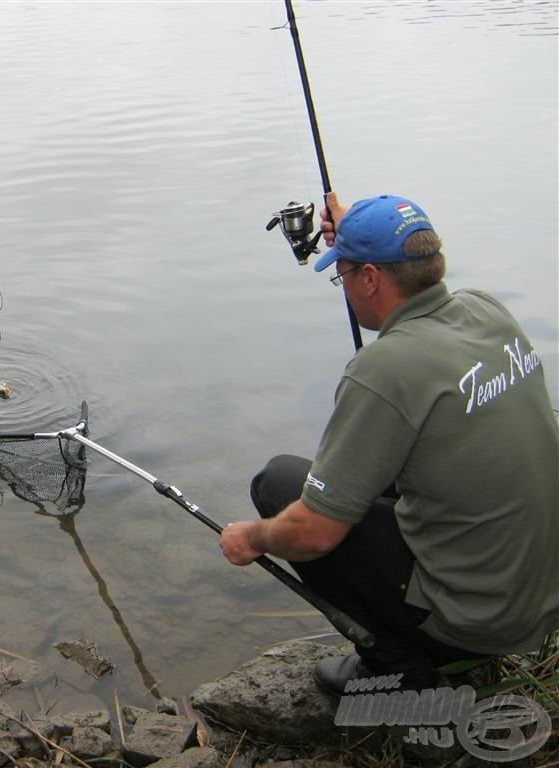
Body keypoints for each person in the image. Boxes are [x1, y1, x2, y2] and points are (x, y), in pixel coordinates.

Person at [219, 192, 559, 694]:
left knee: (279, 486)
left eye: (345, 274)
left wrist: (251, 538)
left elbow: (314, 533)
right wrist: (358, 231)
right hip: (540, 598)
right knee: (379, 475)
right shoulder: (488, 312)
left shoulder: (383, 370)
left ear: (372, 277)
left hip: (477, 623)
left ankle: (399, 668)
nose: (346, 287)